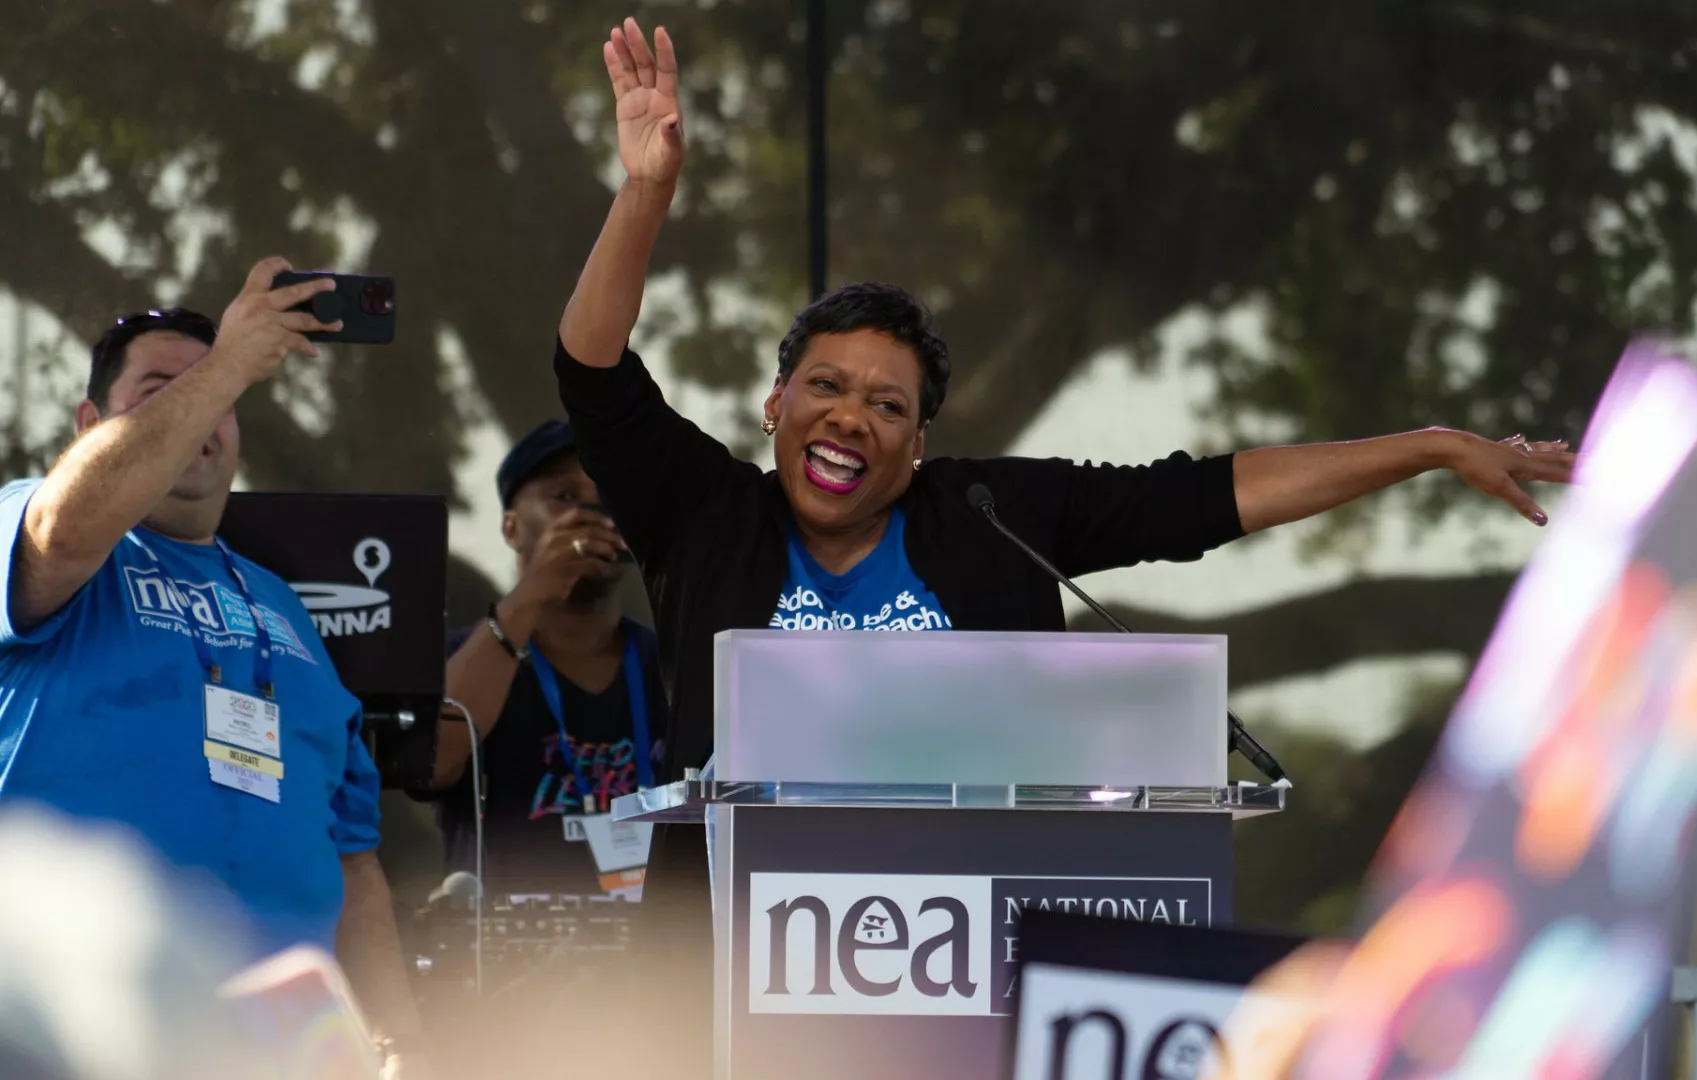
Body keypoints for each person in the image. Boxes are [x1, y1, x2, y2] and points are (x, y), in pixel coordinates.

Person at [556, 19, 1577, 1074]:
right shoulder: (709, 514)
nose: (851, 418)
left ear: (916, 446)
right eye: (826, 387)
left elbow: (1198, 501)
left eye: (887, 405)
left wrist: (1427, 448)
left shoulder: (988, 520)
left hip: (961, 984)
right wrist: (645, 193)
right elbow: (592, 372)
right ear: (775, 406)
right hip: (719, 997)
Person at [0, 262, 429, 1078]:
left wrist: (406, 1046)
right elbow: (62, 529)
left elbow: (353, 861)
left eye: (213, 394)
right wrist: (228, 361)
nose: (197, 407)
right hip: (72, 1031)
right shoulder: (35, 518)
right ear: (89, 420)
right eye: (160, 386)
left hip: (282, 1050)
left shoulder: (286, 608)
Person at [422, 418, 668, 897]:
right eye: (565, 496)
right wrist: (534, 590)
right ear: (511, 528)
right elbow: (431, 763)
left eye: (610, 495)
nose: (593, 513)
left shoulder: (676, 668)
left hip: (656, 958)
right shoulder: (462, 658)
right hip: (499, 962)